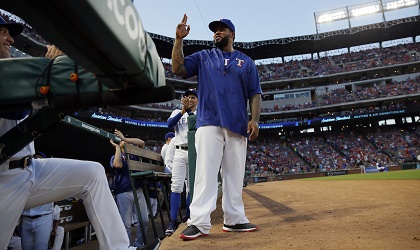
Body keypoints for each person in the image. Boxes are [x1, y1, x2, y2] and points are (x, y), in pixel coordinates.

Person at [0, 16, 137, 250]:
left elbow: (34, 113)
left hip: (29, 170)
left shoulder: (12, 71)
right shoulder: (8, 74)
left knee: (92, 173)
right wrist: (52, 68)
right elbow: (17, 107)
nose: (11, 38)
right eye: (3, 32)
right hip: (4, 180)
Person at [171, 15, 262, 240]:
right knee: (205, 172)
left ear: (232, 34)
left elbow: (255, 93)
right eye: (215, 30)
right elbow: (178, 68)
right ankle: (199, 222)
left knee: (234, 174)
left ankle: (234, 220)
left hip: (237, 123)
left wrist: (255, 119)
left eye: (222, 29)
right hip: (208, 120)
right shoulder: (204, 57)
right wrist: (178, 39)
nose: (217, 33)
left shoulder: (246, 62)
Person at [164, 89, 198, 236]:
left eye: (193, 97)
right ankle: (172, 220)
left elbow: (195, 125)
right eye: (187, 97)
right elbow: (170, 124)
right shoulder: (177, 111)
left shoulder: (199, 113)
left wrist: (189, 112)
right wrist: (183, 111)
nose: (190, 99)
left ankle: (189, 217)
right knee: (176, 186)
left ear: (197, 100)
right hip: (179, 151)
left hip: (193, 151)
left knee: (191, 187)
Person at [109, 129, 149, 248]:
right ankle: (126, 247)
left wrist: (125, 139)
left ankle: (139, 244)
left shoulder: (134, 155)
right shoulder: (116, 156)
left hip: (138, 190)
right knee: (126, 224)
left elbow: (142, 143)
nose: (126, 143)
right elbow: (117, 165)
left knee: (144, 220)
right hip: (123, 192)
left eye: (128, 142)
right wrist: (117, 148)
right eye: (123, 142)